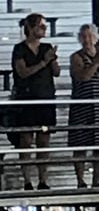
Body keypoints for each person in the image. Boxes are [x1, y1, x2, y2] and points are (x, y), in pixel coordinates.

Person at [11, 13, 60, 190]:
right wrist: (43, 62)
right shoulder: (20, 49)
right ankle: (27, 180)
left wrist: (53, 59)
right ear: (31, 28)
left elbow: (56, 72)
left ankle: (43, 179)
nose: (44, 29)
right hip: (26, 99)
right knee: (26, 139)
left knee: (44, 139)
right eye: (40, 26)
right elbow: (23, 72)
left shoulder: (46, 47)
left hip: (45, 98)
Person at [68, 23, 99, 188]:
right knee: (80, 143)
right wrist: (95, 63)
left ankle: (96, 180)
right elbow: (83, 76)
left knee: (98, 145)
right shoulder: (76, 57)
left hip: (98, 105)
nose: (88, 40)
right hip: (82, 105)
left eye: (90, 36)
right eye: (84, 36)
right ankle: (80, 179)